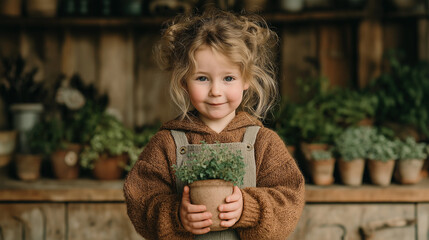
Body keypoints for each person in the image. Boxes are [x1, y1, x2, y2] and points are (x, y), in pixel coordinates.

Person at [124, 8, 305, 240]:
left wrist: (249, 210)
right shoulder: (167, 143)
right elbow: (140, 199)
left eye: (228, 78)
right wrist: (176, 215)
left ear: (246, 79)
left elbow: (290, 199)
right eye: (202, 78)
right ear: (183, 81)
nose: (216, 91)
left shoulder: (263, 142)